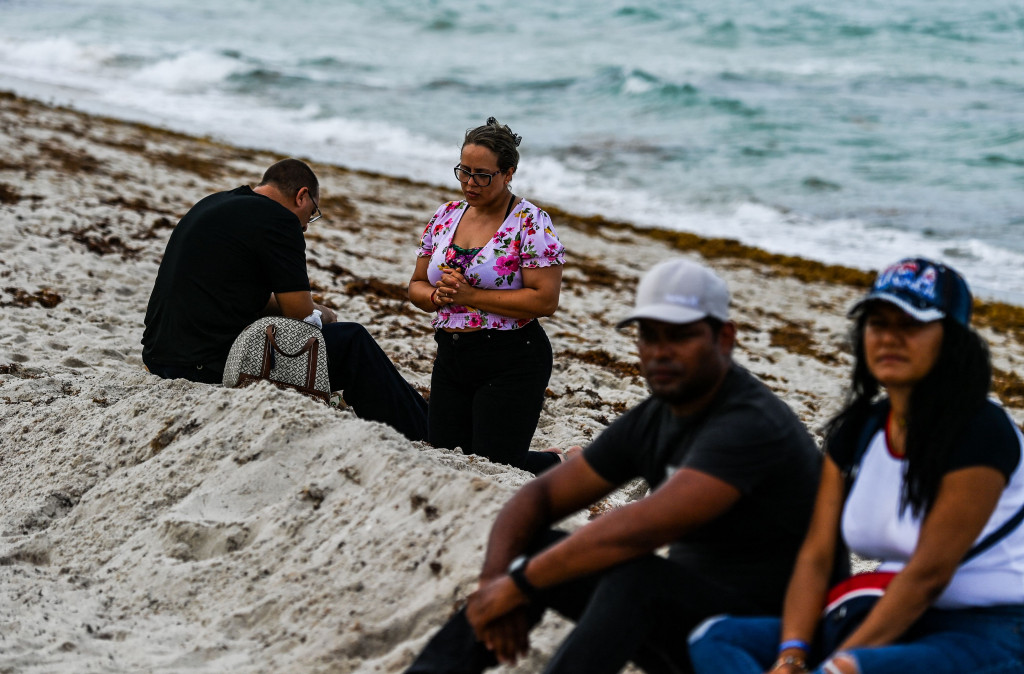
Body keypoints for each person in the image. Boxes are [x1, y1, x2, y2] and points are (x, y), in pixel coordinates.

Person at [404, 258, 823, 674]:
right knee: (532, 548)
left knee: (635, 580)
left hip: (764, 642)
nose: (660, 351)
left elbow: (640, 527)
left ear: (725, 338)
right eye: (649, 336)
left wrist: (519, 585)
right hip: (686, 619)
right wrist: (495, 585)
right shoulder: (661, 413)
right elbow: (540, 495)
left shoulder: (749, 423)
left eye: (680, 336)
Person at [688, 257, 1024, 674]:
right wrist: (792, 654)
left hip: (996, 630)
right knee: (716, 637)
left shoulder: (981, 431)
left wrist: (827, 663)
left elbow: (928, 576)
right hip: (891, 613)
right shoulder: (858, 431)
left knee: (846, 669)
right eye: (878, 324)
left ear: (951, 339)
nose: (890, 339)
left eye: (911, 325)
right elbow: (816, 554)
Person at [142, 158, 428, 441]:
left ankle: (423, 416)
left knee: (336, 339)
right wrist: (324, 314)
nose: (306, 226)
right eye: (312, 214)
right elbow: (301, 317)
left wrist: (313, 308)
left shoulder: (215, 203)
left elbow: (242, 294)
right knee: (353, 341)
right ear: (302, 196)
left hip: (160, 356)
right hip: (202, 365)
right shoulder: (279, 219)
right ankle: (423, 430)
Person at [408, 117, 566, 475]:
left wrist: (470, 294)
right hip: (451, 356)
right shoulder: (445, 216)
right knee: (447, 460)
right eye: (464, 171)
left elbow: (545, 301)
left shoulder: (531, 222)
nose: (470, 183)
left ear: (508, 173)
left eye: (482, 175)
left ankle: (557, 463)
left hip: (512, 359)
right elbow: (416, 284)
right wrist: (437, 298)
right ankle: (555, 459)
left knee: (495, 467)